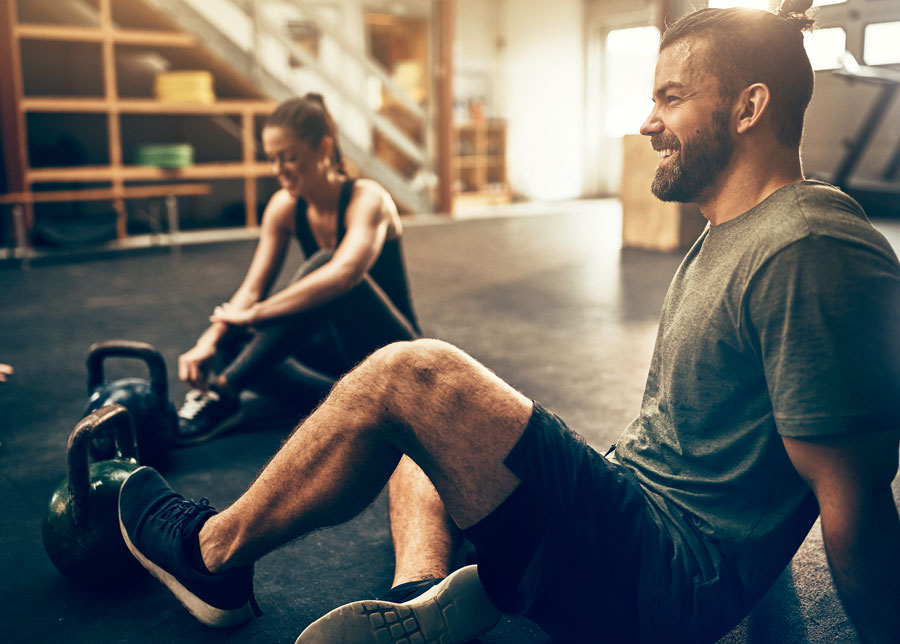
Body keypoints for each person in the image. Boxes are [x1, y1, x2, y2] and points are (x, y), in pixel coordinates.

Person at [118, 2, 900, 643]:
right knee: (417, 440)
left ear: (749, 106)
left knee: (411, 372)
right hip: (629, 515)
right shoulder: (731, 236)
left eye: (669, 97)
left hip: (652, 570)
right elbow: (752, 473)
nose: (646, 122)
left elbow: (850, 496)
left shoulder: (810, 244)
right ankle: (423, 599)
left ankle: (210, 552)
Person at [175, 93, 421, 445]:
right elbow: (251, 290)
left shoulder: (368, 199)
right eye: (272, 159)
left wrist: (256, 314)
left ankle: (224, 391)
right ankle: (340, 398)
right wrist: (208, 340)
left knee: (324, 263)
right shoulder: (284, 206)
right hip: (338, 359)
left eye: (289, 157)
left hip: (397, 355)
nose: (279, 170)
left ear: (323, 149)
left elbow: (343, 274)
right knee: (233, 342)